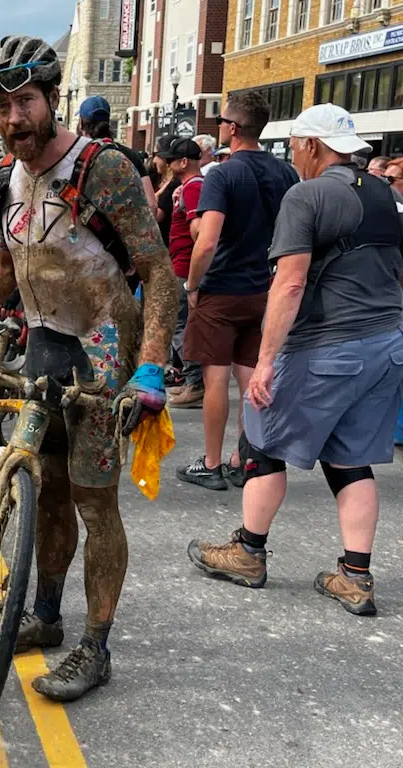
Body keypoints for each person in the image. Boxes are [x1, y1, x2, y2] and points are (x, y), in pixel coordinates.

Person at [0, 35, 178, 702]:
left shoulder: (101, 169)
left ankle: (95, 649)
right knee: (44, 490)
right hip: (44, 344)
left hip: (103, 351)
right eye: (1, 106)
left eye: (25, 102)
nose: (13, 118)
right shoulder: (5, 178)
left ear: (51, 99)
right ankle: (45, 615)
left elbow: (160, 274)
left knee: (95, 502)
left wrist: (151, 367)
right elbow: (4, 264)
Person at [187, 104, 403, 617]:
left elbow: (290, 282)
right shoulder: (385, 195)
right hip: (386, 342)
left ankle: (248, 551)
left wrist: (264, 362)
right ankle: (354, 576)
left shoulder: (307, 195)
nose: (293, 155)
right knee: (350, 459)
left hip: (327, 343)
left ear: (311, 145)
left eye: (296, 146)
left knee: (261, 436)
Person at [177, 91, 298, 490]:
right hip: (264, 287)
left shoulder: (223, 174)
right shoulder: (285, 174)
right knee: (251, 377)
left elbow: (207, 241)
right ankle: (244, 458)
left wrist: (193, 285)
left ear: (231, 128)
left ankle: (211, 462)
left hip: (223, 286)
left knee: (216, 379)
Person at [162, 138, 206, 407]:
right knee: (181, 325)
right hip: (182, 264)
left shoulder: (193, 188)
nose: (167, 164)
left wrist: (192, 279)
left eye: (171, 160)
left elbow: (199, 231)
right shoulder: (189, 187)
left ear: (183, 162)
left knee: (182, 326)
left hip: (185, 266)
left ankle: (195, 382)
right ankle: (192, 380)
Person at [78, 95, 159, 216]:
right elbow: (152, 204)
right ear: (108, 122)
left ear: (80, 123)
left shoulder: (78, 158)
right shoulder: (131, 155)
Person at [152, 136, 176, 248]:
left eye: (156, 155)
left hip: (167, 246)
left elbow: (155, 216)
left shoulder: (174, 185)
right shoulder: (163, 181)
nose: (154, 160)